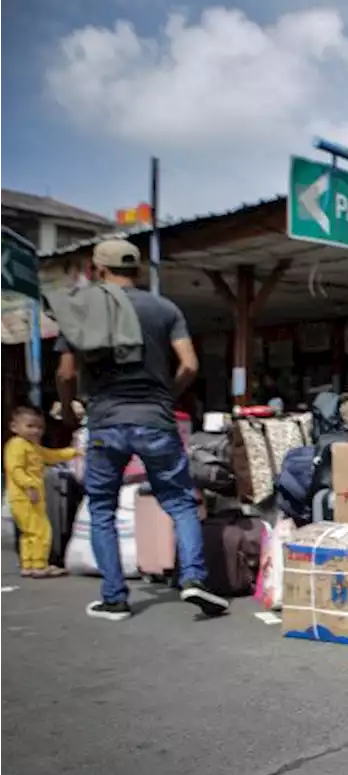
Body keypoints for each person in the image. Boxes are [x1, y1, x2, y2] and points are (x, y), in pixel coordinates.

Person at [51, 239, 225, 622]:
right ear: (137, 270)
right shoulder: (165, 308)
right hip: (156, 420)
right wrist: (165, 395)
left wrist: (66, 409)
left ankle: (114, 598)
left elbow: (65, 372)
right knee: (180, 502)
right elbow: (190, 365)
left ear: (98, 269)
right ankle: (194, 578)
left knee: (101, 508)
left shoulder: (83, 308)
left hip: (104, 422)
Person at [4, 406, 79, 578]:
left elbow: (51, 455)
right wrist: (29, 486)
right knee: (41, 530)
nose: (36, 431)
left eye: (39, 427)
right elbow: (15, 469)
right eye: (30, 426)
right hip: (24, 496)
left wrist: (74, 452)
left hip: (30, 496)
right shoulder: (16, 445)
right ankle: (39, 565)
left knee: (29, 532)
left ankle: (28, 564)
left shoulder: (33, 447)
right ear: (14, 427)